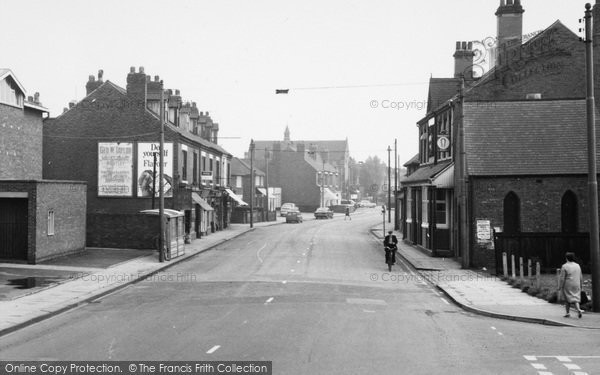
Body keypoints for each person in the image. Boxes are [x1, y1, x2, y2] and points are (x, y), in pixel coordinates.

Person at [559, 252, 583, 318]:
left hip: (568, 284)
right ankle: (578, 309)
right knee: (576, 298)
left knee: (567, 298)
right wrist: (581, 284)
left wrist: (560, 286)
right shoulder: (578, 265)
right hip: (576, 283)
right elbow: (580, 276)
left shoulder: (564, 266)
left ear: (566, 258)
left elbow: (562, 278)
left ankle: (567, 313)